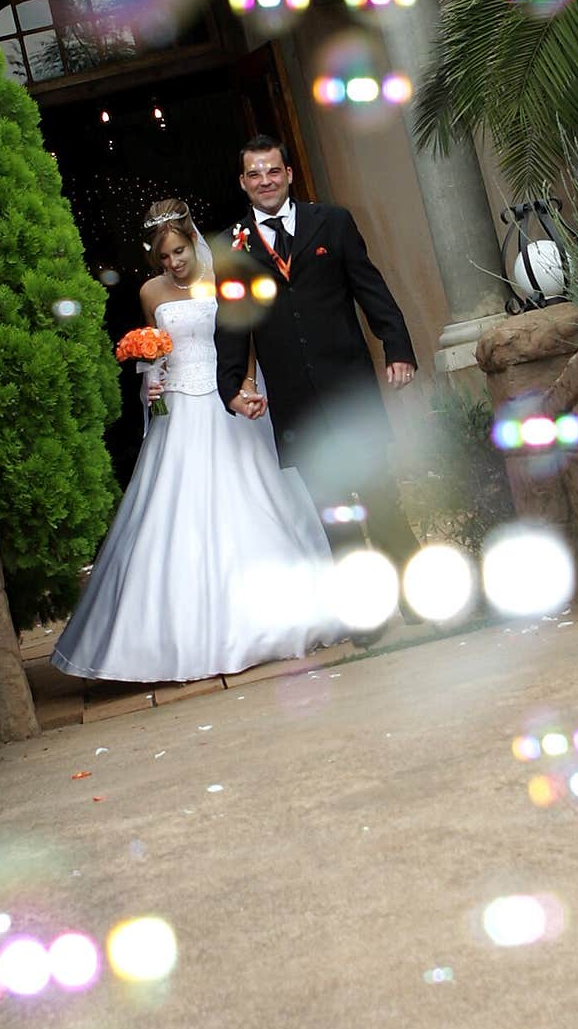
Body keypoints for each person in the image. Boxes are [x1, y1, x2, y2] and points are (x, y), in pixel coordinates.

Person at [51, 198, 343, 684]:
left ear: (193, 242)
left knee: (254, 498)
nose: (174, 263)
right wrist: (149, 377)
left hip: (226, 397)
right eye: (164, 257)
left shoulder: (220, 280)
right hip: (181, 408)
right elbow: (155, 348)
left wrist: (245, 385)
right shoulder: (149, 293)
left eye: (180, 252)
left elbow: (246, 338)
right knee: (177, 512)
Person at [215, 135, 423, 639]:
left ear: (288, 173)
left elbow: (369, 287)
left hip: (349, 386)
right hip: (296, 396)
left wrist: (396, 347)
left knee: (381, 496)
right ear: (243, 183)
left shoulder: (333, 222)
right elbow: (231, 323)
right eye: (254, 174)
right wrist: (231, 388)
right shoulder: (233, 246)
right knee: (334, 512)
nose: (265, 181)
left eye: (272, 171)